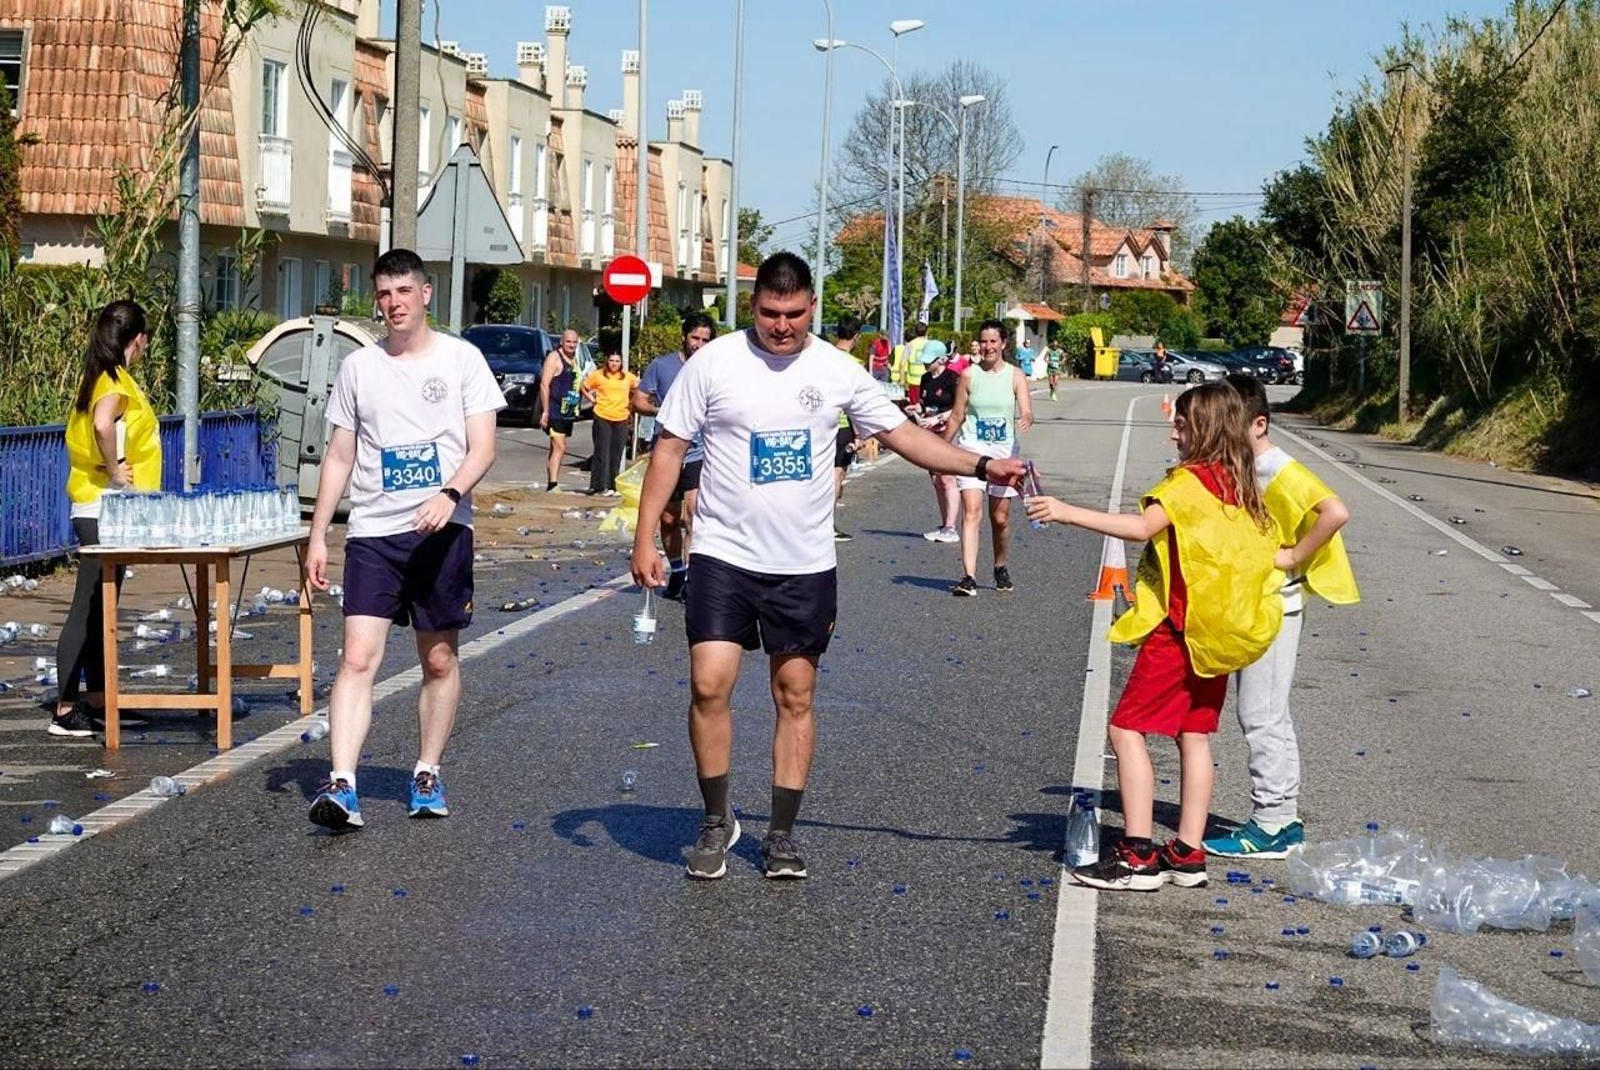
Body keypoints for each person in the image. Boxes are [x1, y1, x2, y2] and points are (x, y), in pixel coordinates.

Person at [630, 252, 1024, 881]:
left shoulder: (838, 372)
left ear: (811, 307)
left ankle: (781, 834)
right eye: (768, 313)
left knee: (795, 694)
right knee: (709, 684)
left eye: (792, 314)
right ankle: (714, 819)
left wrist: (978, 465)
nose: (780, 326)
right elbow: (669, 450)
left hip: (803, 563)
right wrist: (645, 537)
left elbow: (902, 436)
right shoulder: (715, 364)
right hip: (722, 554)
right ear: (751, 306)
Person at [1026, 382, 1282, 891]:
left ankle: (1137, 854)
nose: (1174, 433)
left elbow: (1143, 528)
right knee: (1194, 735)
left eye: (1182, 425)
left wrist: (1066, 511)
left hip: (1178, 631)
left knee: (1125, 730)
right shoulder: (1240, 484)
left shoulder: (1187, 483)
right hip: (1216, 635)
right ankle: (1188, 852)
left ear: (1204, 429)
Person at [305, 248, 505, 830]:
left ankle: (427, 771)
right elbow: (339, 456)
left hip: (442, 531)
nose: (393, 303)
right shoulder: (359, 368)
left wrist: (449, 495)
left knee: (438, 659)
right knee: (358, 658)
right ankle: (342, 782)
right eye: (384, 293)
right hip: (373, 532)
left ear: (426, 295)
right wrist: (319, 535)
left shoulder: (463, 361)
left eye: (403, 291)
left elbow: (484, 448)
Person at [1203, 374, 1357, 859]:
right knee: (1267, 713)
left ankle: (1272, 822)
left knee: (1261, 715)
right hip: (1258, 602)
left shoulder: (1278, 468)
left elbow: (1335, 511)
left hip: (1277, 605)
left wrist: (1292, 557)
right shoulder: (1247, 466)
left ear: (1258, 424)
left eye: (1230, 426)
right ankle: (1282, 819)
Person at [51, 301, 161, 738]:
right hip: (103, 509)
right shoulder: (114, 381)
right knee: (89, 604)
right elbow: (102, 424)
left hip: (103, 508)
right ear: (138, 340)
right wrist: (116, 468)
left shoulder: (99, 376)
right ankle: (63, 706)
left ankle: (98, 699)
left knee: (102, 608)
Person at [943, 320, 1034, 596]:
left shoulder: (1015, 375)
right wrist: (940, 450)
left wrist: (1027, 417)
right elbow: (958, 415)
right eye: (983, 341)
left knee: (1000, 517)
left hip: (1004, 452)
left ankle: (1000, 565)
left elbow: (1027, 410)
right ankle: (968, 577)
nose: (988, 347)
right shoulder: (969, 376)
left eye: (993, 341)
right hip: (972, 448)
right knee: (972, 510)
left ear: (1004, 344)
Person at [633, 312, 716, 602]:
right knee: (669, 518)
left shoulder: (712, 368)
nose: (699, 344)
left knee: (694, 512)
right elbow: (639, 400)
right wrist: (664, 413)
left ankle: (693, 578)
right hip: (668, 451)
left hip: (698, 450)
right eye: (695, 337)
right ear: (685, 336)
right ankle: (678, 570)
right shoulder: (662, 366)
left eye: (706, 340)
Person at [915, 350, 961, 543]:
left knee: (948, 478)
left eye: (929, 361)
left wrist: (940, 418)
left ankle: (951, 528)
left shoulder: (952, 378)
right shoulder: (925, 378)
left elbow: (961, 407)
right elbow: (924, 404)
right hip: (930, 433)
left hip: (949, 431)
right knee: (936, 480)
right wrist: (918, 410)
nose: (926, 365)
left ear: (941, 359)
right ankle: (944, 525)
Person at [580, 350, 638, 497]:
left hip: (621, 417)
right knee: (602, 452)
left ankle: (613, 486)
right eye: (612, 360)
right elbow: (584, 387)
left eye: (617, 361)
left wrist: (632, 403)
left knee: (616, 453)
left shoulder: (627, 377)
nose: (614, 364)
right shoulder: (598, 375)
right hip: (602, 415)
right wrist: (593, 400)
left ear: (621, 363)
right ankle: (598, 486)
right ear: (607, 361)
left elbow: (641, 388)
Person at [830, 317, 866, 543]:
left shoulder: (823, 356)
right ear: (856, 337)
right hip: (843, 424)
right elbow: (858, 403)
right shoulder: (855, 364)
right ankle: (827, 524)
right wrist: (860, 434)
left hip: (820, 423)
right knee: (836, 475)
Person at [538, 329, 583, 492]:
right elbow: (544, 384)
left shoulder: (573, 359)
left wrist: (590, 397)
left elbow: (577, 382)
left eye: (574, 342)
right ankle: (553, 484)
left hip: (568, 411)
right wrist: (545, 411)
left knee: (555, 448)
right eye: (568, 342)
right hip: (555, 410)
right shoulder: (554, 358)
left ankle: (551, 481)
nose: (571, 345)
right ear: (562, 342)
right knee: (560, 447)